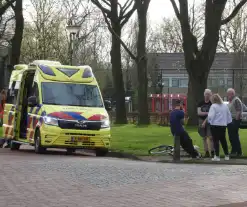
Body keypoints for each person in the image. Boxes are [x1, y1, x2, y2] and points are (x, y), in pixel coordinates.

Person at [208, 94, 232, 161]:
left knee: (216, 141)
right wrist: (227, 122)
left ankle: (217, 156)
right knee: (223, 140)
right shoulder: (225, 106)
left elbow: (211, 116)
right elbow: (228, 115)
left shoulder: (213, 106)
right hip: (223, 125)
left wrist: (210, 122)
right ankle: (227, 155)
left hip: (215, 125)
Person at [197, 89, 214, 158]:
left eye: (209, 94)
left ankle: (212, 152)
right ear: (204, 94)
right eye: (206, 94)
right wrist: (208, 113)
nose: (207, 95)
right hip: (201, 120)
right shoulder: (200, 103)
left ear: (211, 95)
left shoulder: (212, 103)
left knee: (210, 137)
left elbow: (212, 113)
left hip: (210, 121)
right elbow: (199, 113)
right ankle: (206, 152)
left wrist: (206, 114)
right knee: (204, 137)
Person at [226, 88, 242, 157]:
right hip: (230, 121)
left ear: (232, 94)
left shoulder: (236, 100)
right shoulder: (231, 101)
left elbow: (238, 110)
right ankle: (234, 151)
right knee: (231, 137)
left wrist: (236, 120)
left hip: (234, 120)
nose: (228, 95)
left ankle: (238, 152)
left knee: (234, 136)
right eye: (227, 94)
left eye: (229, 94)